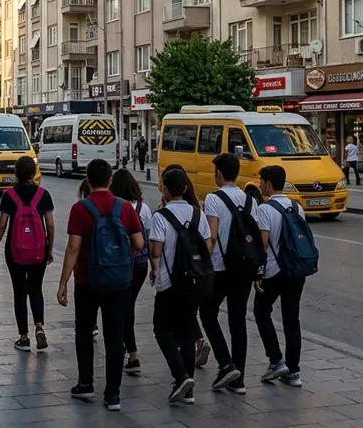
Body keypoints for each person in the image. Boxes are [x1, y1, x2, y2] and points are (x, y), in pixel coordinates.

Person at [56, 159, 144, 412]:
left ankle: (86, 384)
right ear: (110, 180)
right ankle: (113, 395)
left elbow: (73, 247)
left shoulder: (80, 208)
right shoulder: (125, 207)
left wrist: (63, 282)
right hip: (118, 282)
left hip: (87, 281)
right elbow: (138, 244)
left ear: (88, 180)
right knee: (115, 337)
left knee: (84, 332)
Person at [149, 167, 213, 406]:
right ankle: (188, 391)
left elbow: (155, 251)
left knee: (161, 328)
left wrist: (156, 265)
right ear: (186, 188)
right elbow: (207, 247)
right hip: (194, 281)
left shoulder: (161, 216)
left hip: (169, 282)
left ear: (165, 190)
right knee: (187, 331)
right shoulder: (198, 214)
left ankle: (181, 375)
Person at [200, 153, 260, 394]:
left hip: (219, 268)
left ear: (219, 174)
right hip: (244, 268)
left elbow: (212, 236)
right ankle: (239, 379)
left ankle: (226, 363)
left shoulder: (214, 199)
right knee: (238, 320)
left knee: (207, 313)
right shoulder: (250, 200)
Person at [0, 156, 55, 352]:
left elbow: (2, 224)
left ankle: (24, 337)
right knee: (36, 288)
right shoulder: (43, 194)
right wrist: (49, 249)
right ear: (34, 172)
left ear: (16, 173)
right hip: (38, 251)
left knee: (19, 293)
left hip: (14, 250)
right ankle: (40, 327)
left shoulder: (10, 195)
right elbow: (50, 225)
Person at [253, 165, 307, 388]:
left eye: (260, 181)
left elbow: (263, 241)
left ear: (267, 183)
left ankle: (276, 360)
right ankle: (293, 372)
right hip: (296, 270)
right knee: (291, 320)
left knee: (261, 311)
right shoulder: (296, 207)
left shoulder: (265, 209)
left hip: (274, 271)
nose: (258, 185)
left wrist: (259, 271)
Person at [108, 169, 151, 376]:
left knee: (123, 309)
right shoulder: (144, 209)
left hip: (121, 264)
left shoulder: (115, 208)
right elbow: (149, 240)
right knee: (128, 305)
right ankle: (128, 350)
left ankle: (132, 354)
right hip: (141, 264)